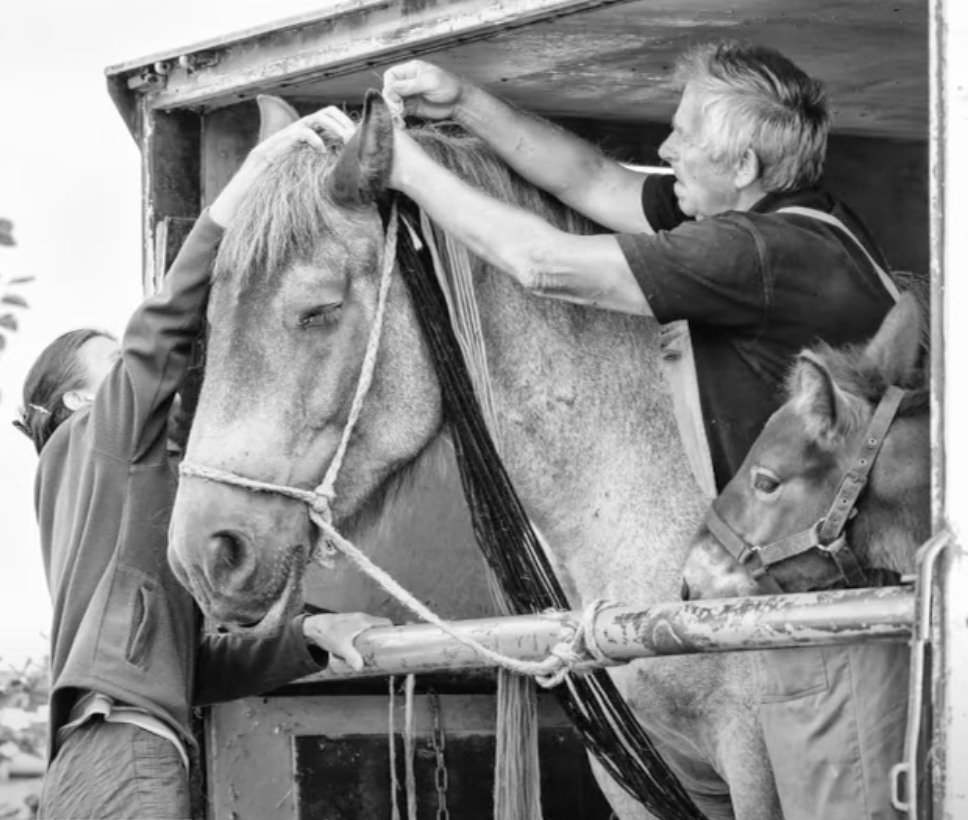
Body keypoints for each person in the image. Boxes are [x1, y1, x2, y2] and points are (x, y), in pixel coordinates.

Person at [370, 41, 907, 820]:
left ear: (746, 166)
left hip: (823, 633)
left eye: (683, 135)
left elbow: (544, 265)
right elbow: (598, 183)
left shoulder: (755, 251)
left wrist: (410, 170)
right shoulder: (809, 222)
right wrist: (464, 104)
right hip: (821, 611)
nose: (665, 150)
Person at [14, 110, 390, 820]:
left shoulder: (99, 496)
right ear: (78, 395)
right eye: (116, 364)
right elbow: (164, 324)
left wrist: (307, 637)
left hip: (93, 764)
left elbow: (195, 667)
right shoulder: (100, 434)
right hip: (126, 761)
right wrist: (248, 183)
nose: (138, 374)